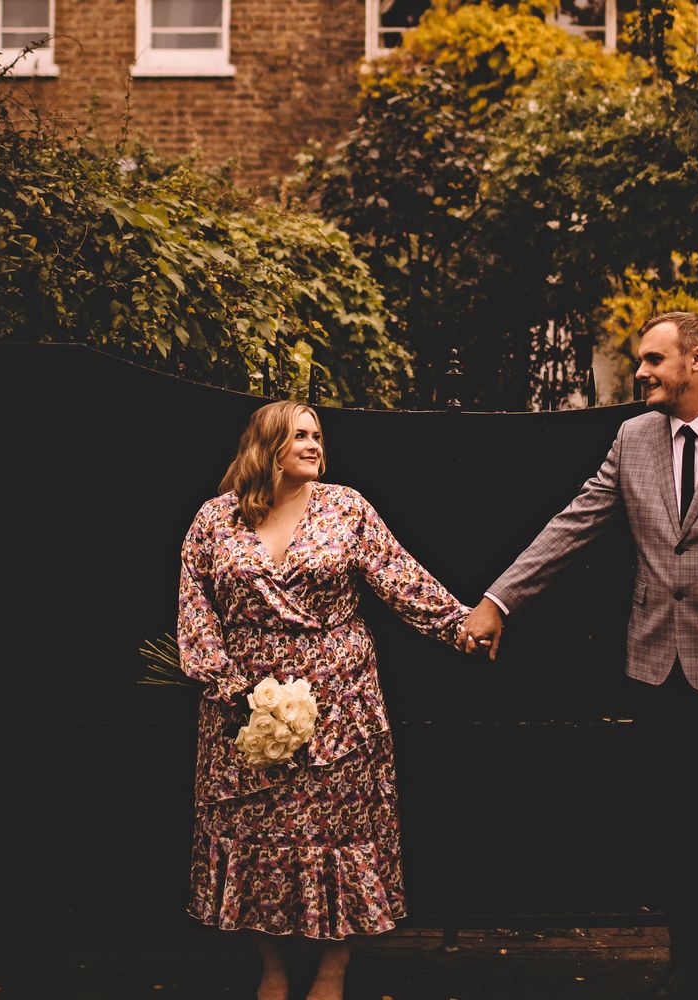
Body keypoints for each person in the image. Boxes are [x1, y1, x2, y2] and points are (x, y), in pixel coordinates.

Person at [460, 312, 698, 1000]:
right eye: (640, 361)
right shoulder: (632, 439)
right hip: (657, 664)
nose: (641, 373)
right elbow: (573, 524)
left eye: (654, 359)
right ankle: (690, 969)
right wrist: (499, 600)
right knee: (677, 824)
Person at [177, 401, 469, 1000]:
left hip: (339, 699)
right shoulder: (215, 519)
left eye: (317, 435)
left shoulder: (345, 507)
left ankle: (333, 970)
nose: (314, 444)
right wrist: (231, 687)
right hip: (247, 705)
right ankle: (273, 968)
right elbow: (195, 608)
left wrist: (461, 625)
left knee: (335, 833)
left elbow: (401, 578)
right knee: (256, 828)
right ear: (267, 447)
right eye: (299, 436)